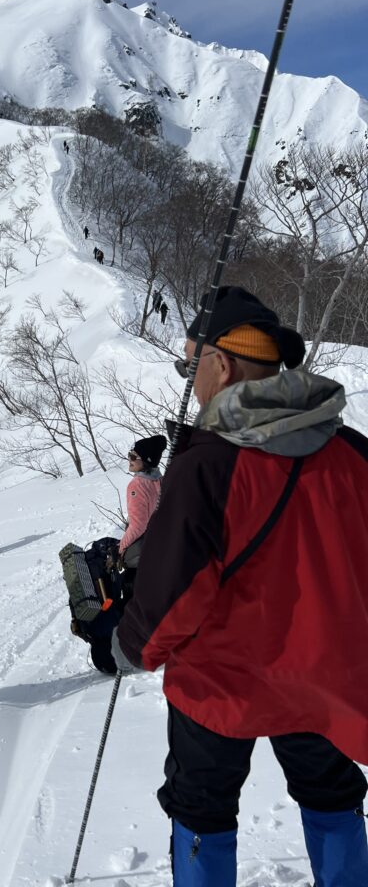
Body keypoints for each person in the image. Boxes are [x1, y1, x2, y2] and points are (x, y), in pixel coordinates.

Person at [112, 286, 368, 886]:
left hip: (220, 683)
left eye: (189, 365)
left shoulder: (208, 463)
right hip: (324, 679)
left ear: (222, 365)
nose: (189, 379)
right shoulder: (354, 452)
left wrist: (130, 646)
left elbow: (176, 591)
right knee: (332, 794)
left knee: (201, 807)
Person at [114, 435, 167, 601]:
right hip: (162, 548)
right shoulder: (160, 479)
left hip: (143, 552)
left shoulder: (136, 485)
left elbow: (138, 525)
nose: (129, 460)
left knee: (134, 597)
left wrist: (121, 548)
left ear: (146, 461)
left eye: (133, 457)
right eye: (129, 455)